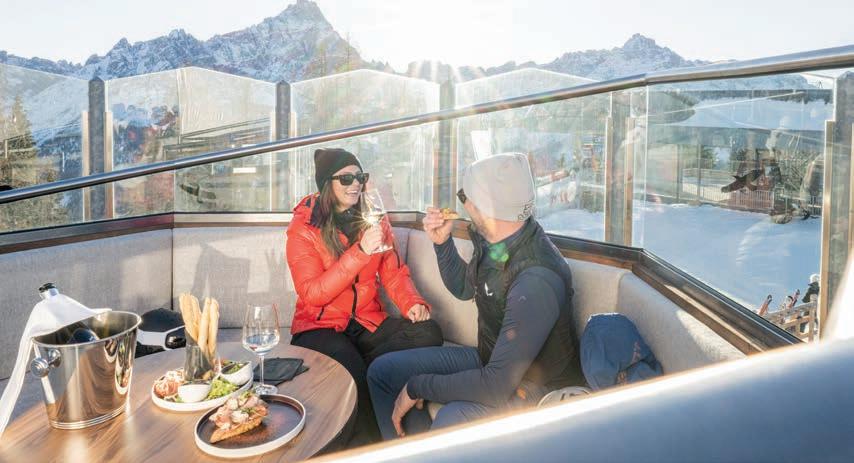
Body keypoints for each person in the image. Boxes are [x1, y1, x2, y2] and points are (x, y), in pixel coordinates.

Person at [367, 152, 585, 439]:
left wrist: (417, 387)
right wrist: (442, 244)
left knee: (453, 417)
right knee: (383, 373)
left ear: (487, 206)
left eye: (464, 196)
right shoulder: (498, 240)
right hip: (491, 359)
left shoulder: (535, 279)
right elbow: (465, 288)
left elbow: (496, 386)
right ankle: (409, 450)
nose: (464, 204)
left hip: (536, 385)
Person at [285, 148, 443, 445]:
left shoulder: (373, 219)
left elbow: (394, 273)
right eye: (346, 179)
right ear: (326, 183)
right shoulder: (304, 227)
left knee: (429, 332)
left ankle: (362, 367)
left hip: (366, 323)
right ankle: (371, 447)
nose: (355, 184)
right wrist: (359, 253)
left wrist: (412, 303)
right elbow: (312, 293)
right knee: (352, 371)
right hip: (319, 326)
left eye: (360, 177)